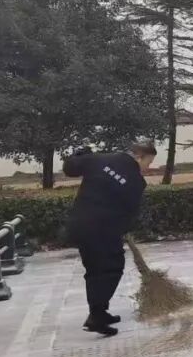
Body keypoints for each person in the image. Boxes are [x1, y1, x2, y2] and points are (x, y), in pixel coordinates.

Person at [63, 141, 157, 336]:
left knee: (94, 269)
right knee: (111, 268)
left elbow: (70, 169)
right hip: (104, 230)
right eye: (148, 162)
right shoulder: (137, 181)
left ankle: (99, 312)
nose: (148, 167)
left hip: (80, 224)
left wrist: (78, 155)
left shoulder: (99, 159)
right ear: (139, 156)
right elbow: (131, 211)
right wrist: (125, 228)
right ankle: (96, 316)